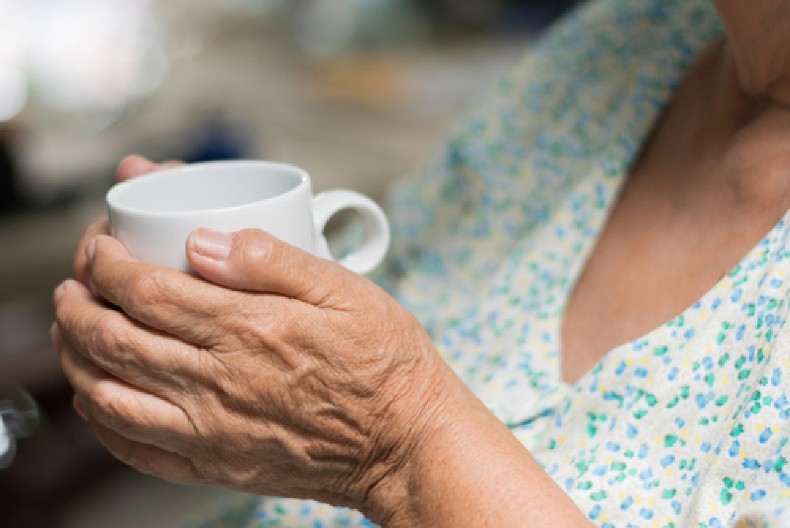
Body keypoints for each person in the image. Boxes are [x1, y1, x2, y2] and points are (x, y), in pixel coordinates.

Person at [51, 0, 790, 525]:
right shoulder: (618, 47)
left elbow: (384, 405)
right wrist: (207, 328)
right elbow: (383, 304)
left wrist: (401, 453)